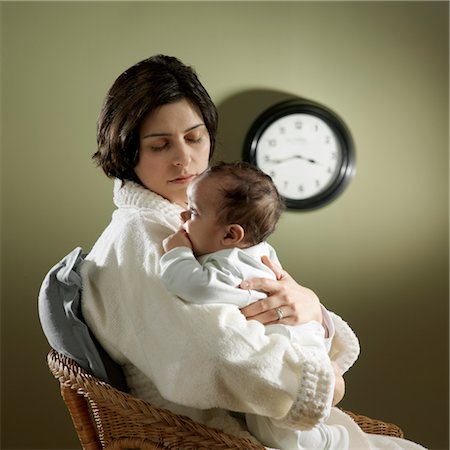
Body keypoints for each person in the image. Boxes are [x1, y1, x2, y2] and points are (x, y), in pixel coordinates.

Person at [79, 54, 426, 449]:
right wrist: (322, 384)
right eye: (160, 145)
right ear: (127, 152)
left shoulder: (205, 222)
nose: (184, 158)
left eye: (194, 138)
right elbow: (215, 357)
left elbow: (274, 301)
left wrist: (311, 309)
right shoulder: (144, 238)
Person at [160, 160, 350, 449]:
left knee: (281, 434)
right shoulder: (259, 251)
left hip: (294, 364)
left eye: (194, 212)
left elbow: (190, 284)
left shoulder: (229, 265)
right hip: (305, 347)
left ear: (230, 235)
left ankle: (331, 443)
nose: (183, 216)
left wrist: (177, 252)